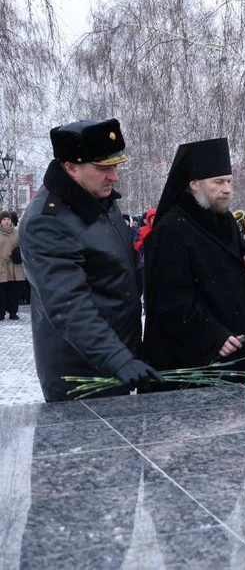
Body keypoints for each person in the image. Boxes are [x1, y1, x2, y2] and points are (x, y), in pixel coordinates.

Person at [19, 118, 164, 402]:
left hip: (118, 360)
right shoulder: (46, 222)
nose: (114, 176)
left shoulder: (99, 200)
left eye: (116, 165)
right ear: (71, 168)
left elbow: (117, 273)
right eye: (103, 168)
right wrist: (119, 359)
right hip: (82, 374)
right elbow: (68, 306)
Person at [143, 138, 245, 379]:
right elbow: (168, 301)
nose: (227, 189)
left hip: (235, 354)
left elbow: (237, 280)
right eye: (218, 182)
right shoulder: (171, 230)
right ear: (193, 183)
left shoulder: (226, 224)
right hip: (197, 363)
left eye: (229, 181)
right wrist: (212, 335)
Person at [0, 210, 25, 320]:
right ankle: (1, 312)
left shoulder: (18, 233)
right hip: (2, 265)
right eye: (4, 219)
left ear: (11, 221)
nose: (6, 221)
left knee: (15, 291)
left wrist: (17, 253)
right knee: (2, 292)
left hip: (16, 266)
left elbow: (24, 247)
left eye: (8, 219)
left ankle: (13, 312)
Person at [133, 207, 156, 292]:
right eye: (152, 218)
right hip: (144, 263)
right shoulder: (141, 230)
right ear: (148, 219)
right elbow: (136, 242)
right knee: (146, 288)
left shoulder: (160, 229)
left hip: (158, 263)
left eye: (155, 218)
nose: (154, 220)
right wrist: (144, 247)